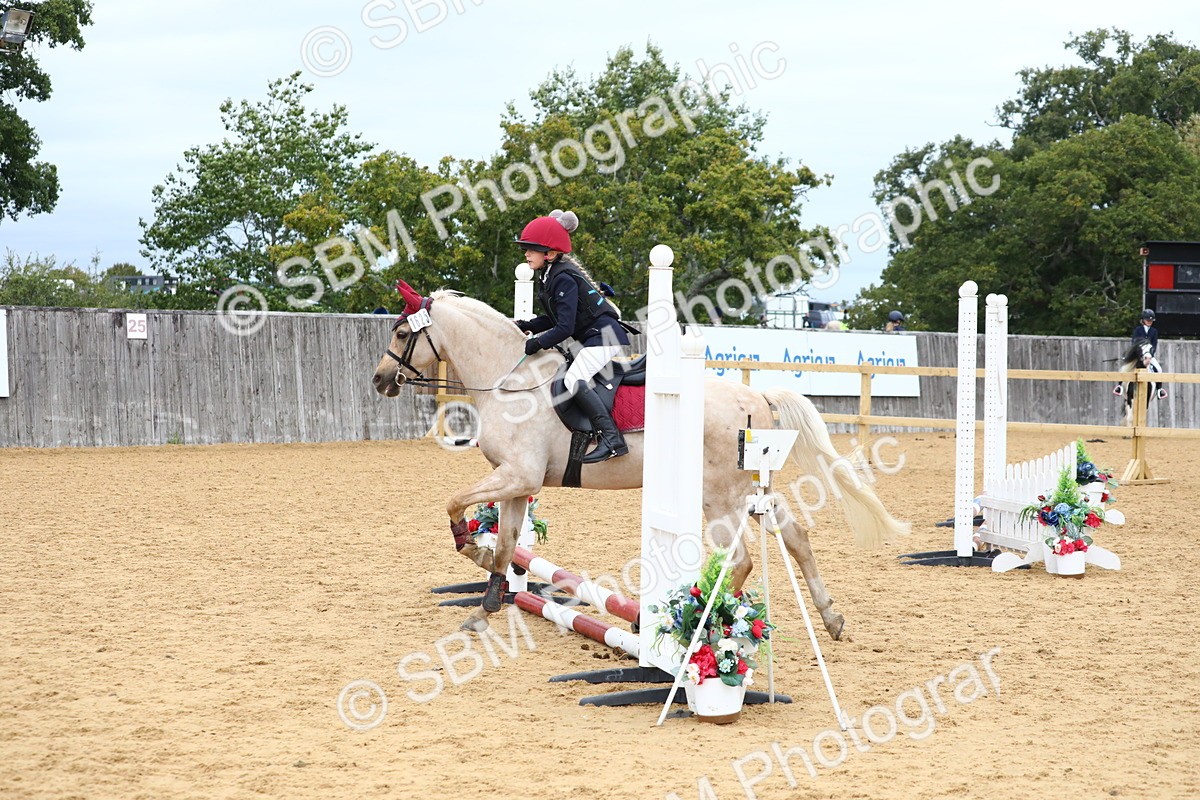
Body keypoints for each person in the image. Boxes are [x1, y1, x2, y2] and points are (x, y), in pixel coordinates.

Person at [513, 209, 631, 463]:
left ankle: (611, 438)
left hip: (605, 336)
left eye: (531, 249)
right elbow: (555, 318)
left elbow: (564, 329)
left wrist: (537, 343)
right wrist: (527, 325)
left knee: (574, 378)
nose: (526, 253)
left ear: (550, 253)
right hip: (593, 336)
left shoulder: (562, 277)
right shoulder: (549, 275)